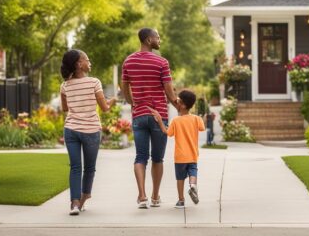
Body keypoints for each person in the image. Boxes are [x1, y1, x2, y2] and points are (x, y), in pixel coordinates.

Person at [121, 28, 179, 209]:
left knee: (140, 157)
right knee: (158, 158)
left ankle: (142, 196)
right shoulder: (161, 62)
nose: (160, 40)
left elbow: (124, 87)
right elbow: (169, 92)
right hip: (158, 115)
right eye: (157, 37)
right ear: (148, 40)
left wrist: (132, 103)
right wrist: (181, 108)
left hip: (139, 115)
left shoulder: (128, 61)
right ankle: (155, 197)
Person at [60, 49, 115, 216]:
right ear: (79, 64)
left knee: (75, 167)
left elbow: (64, 108)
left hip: (71, 130)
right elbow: (105, 108)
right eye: (87, 60)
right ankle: (83, 199)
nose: (89, 62)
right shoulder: (94, 83)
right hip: (90, 130)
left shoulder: (64, 85)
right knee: (89, 168)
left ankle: (74, 204)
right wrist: (112, 101)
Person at [150, 90, 205, 209]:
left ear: (183, 105)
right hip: (193, 155)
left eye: (178, 101)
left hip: (180, 156)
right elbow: (202, 128)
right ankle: (193, 185)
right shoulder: (196, 119)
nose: (176, 102)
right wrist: (201, 117)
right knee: (193, 171)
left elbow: (167, 133)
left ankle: (181, 201)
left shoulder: (176, 120)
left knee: (180, 178)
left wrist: (159, 120)